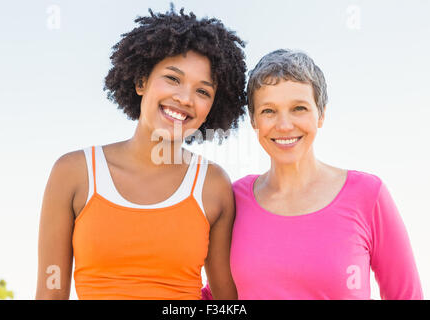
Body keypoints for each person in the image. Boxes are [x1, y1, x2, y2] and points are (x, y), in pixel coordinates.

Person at [35, 6, 247, 300]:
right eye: (173, 79)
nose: (184, 98)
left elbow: (227, 302)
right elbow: (49, 293)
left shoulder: (213, 185)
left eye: (203, 91)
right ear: (141, 82)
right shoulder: (73, 172)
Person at [203, 49, 423, 300]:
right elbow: (217, 296)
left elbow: (407, 295)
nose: (284, 125)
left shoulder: (368, 195)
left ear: (321, 114)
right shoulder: (235, 199)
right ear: (253, 120)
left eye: (299, 108)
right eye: (268, 111)